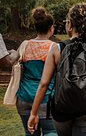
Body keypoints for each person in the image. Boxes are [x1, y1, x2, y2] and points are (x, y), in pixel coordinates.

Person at [28, 2, 86, 135]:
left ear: (69, 24)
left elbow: (43, 84)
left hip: (62, 109)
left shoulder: (57, 49)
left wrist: (34, 113)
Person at [16, 8, 58, 136]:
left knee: (29, 132)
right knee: (50, 132)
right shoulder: (54, 47)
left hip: (23, 97)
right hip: (45, 98)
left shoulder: (25, 44)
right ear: (51, 28)